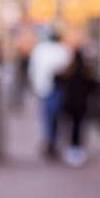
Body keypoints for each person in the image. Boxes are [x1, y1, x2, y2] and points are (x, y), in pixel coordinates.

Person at [54, 49, 100, 167]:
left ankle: (72, 149)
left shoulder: (68, 72)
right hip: (81, 105)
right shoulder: (87, 73)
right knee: (79, 127)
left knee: (70, 128)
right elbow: (96, 88)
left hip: (69, 104)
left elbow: (56, 81)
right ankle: (77, 149)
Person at [29, 29, 71, 160]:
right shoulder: (43, 50)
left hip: (55, 88)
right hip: (47, 88)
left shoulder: (59, 49)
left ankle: (52, 141)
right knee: (49, 116)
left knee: (52, 116)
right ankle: (50, 141)